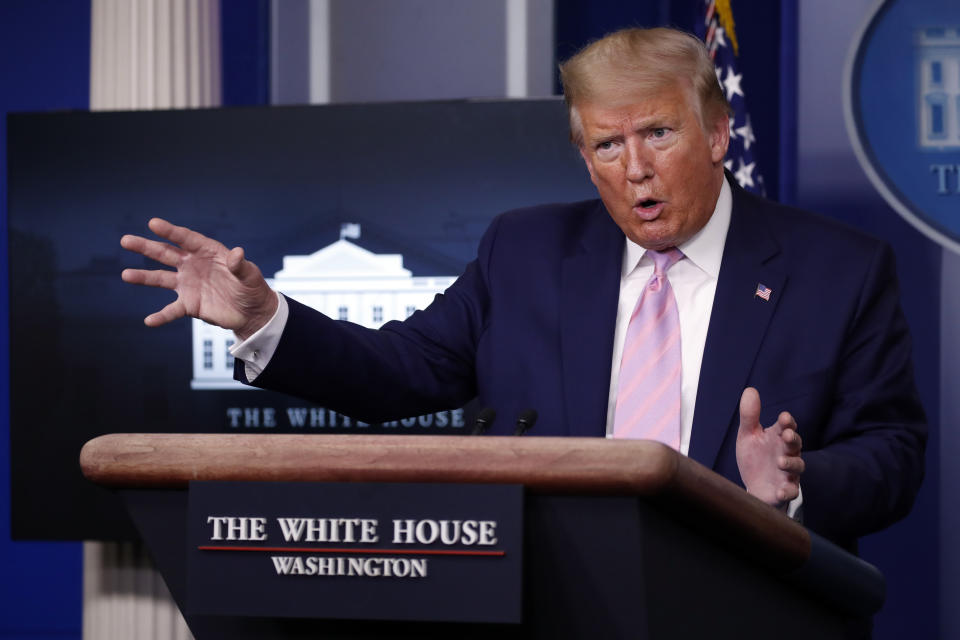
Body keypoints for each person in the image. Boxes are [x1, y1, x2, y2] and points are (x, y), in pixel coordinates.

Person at [120, 27, 925, 551]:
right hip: (551, 606)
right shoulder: (527, 250)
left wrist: (795, 483)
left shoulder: (837, 269)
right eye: (607, 144)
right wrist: (265, 319)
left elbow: (893, 453)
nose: (634, 167)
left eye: (658, 133)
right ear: (583, 157)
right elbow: (400, 370)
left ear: (716, 134)